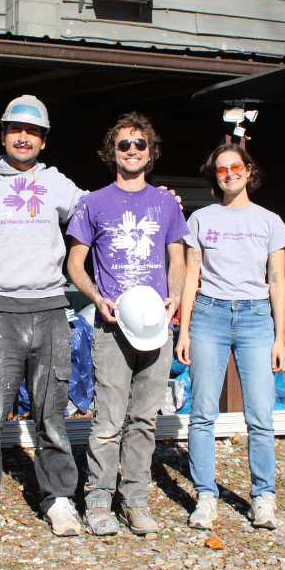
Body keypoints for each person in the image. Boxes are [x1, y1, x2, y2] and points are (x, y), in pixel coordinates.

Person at [0, 95, 86, 540]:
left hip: (49, 310)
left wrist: (153, 199)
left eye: (32, 132)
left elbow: (99, 214)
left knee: (51, 414)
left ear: (43, 140)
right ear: (4, 135)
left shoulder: (58, 184)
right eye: (15, 130)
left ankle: (59, 498)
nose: (23, 138)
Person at [65, 112, 189, 536]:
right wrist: (96, 297)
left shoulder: (166, 203)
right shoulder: (92, 203)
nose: (132, 151)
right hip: (112, 326)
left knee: (144, 420)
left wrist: (173, 297)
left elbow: (178, 258)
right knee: (108, 419)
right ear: (110, 153)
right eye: (124, 145)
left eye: (140, 144)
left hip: (157, 324)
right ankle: (98, 500)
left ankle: (135, 500)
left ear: (150, 152)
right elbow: (74, 263)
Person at [175, 143, 285, 531]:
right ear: (215, 177)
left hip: (257, 318)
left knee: (260, 415)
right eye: (221, 170)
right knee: (203, 413)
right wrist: (185, 329)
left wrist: (280, 337)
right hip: (209, 315)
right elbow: (192, 277)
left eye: (235, 167)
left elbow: (277, 282)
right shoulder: (200, 219)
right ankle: (206, 496)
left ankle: (263, 498)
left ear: (248, 170)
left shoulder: (269, 221)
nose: (229, 174)